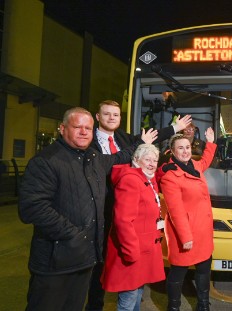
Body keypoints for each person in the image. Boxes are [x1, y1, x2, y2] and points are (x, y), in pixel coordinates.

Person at [18, 107, 157, 311]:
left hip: (85, 260)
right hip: (55, 263)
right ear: (62, 128)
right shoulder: (46, 161)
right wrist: (76, 236)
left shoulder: (93, 158)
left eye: (88, 128)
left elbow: (119, 157)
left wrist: (140, 144)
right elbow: (32, 208)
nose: (84, 132)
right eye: (77, 127)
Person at [86, 99, 191, 311]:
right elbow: (109, 164)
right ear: (97, 117)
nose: (112, 118)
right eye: (107, 114)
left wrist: (175, 128)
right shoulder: (88, 142)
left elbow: (147, 143)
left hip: (125, 208)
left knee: (132, 283)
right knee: (99, 270)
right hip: (99, 211)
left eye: (116, 115)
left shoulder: (124, 139)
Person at [100, 144, 165, 311]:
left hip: (142, 251)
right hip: (132, 251)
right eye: (147, 159)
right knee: (128, 300)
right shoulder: (131, 180)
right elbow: (123, 220)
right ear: (136, 160)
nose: (152, 163)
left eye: (155, 160)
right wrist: (131, 251)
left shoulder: (147, 179)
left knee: (136, 293)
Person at [159, 129, 217, 311]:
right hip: (184, 233)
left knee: (203, 270)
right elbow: (176, 211)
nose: (185, 151)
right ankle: (173, 307)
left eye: (187, 147)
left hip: (202, 231)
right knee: (178, 273)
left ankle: (203, 305)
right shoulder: (170, 176)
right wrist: (186, 237)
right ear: (172, 152)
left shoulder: (194, 165)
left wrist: (211, 142)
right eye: (180, 148)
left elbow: (206, 160)